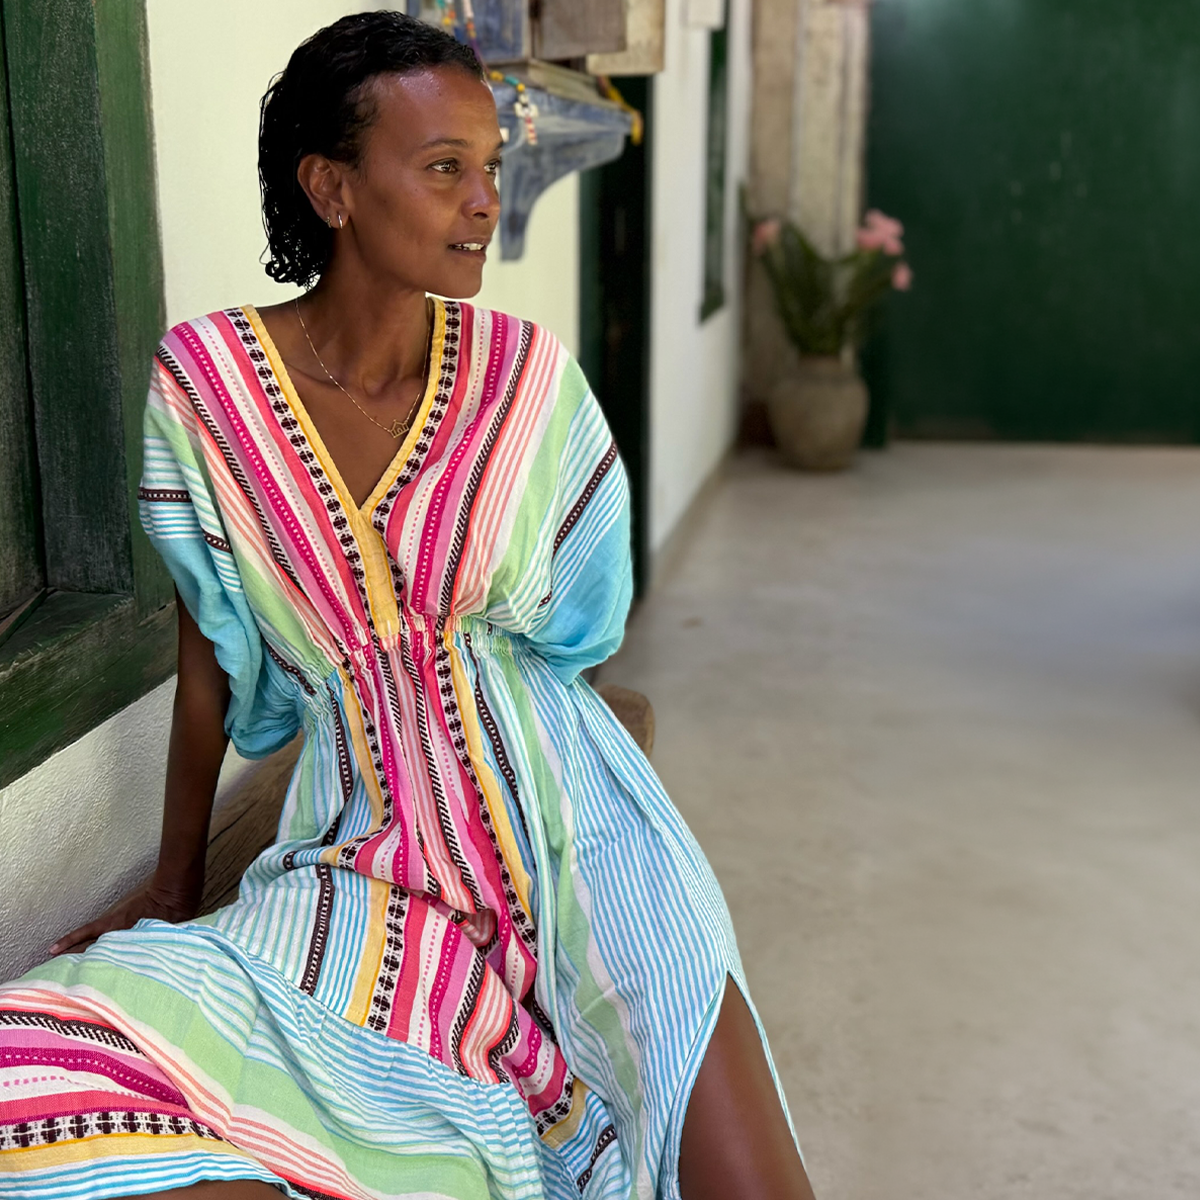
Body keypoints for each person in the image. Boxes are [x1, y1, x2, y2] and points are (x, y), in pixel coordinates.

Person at [0, 12, 816, 1200]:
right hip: (363, 842)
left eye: (490, 166)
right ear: (332, 186)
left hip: (572, 811)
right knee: (44, 1071)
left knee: (734, 1150)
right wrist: (175, 890)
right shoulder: (209, 386)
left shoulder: (529, 380)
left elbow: (580, 629)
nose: (484, 201)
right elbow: (209, 665)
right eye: (444, 169)